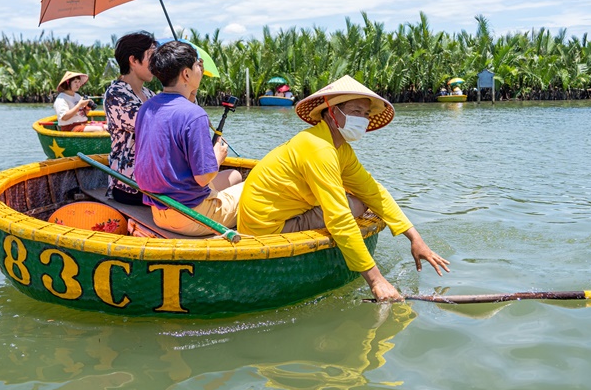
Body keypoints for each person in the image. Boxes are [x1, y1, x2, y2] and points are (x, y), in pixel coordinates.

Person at [237, 75, 450, 301]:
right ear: (332, 112)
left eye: (366, 114)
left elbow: (372, 190)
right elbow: (339, 218)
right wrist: (376, 280)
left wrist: (415, 237)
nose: (363, 119)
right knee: (352, 207)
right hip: (266, 230)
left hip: (277, 215)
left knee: (361, 199)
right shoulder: (319, 148)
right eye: (356, 111)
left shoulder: (339, 149)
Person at [133, 41, 243, 236]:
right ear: (186, 74)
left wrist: (190, 95)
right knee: (252, 187)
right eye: (197, 65)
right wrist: (217, 157)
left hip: (160, 211)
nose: (200, 69)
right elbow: (202, 179)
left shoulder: (146, 108)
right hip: (192, 217)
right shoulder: (194, 115)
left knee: (235, 175)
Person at [103, 31, 157, 205]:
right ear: (133, 60)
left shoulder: (149, 94)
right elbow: (152, 126)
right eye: (151, 57)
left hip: (154, 181)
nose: (156, 64)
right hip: (129, 185)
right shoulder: (116, 94)